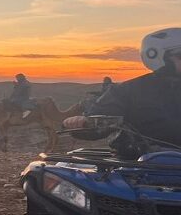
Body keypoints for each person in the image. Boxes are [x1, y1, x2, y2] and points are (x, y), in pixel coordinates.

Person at [64, 28, 181, 156]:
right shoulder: (128, 91)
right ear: (157, 56)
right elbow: (100, 124)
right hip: (143, 166)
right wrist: (81, 124)